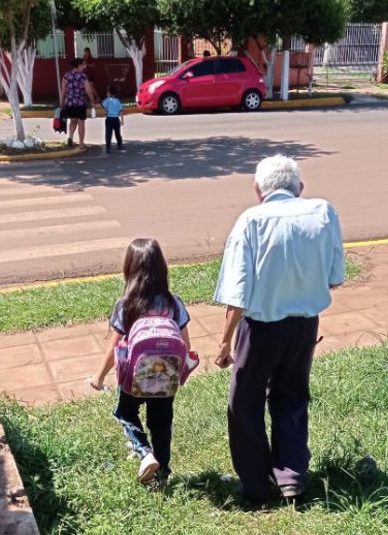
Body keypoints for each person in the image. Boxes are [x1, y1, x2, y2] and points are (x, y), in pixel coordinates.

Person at [214, 154, 345, 502]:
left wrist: (225, 342)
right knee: (291, 396)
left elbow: (237, 293)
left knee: (245, 401)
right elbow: (334, 278)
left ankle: (256, 484)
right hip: (304, 327)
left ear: (258, 190)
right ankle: (290, 474)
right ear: (299, 188)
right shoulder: (323, 212)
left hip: (260, 329)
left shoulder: (251, 221)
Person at [90, 238, 194, 484]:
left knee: (125, 413)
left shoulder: (126, 305)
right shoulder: (174, 303)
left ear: (129, 268)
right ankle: (163, 475)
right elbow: (186, 346)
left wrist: (99, 376)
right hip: (166, 375)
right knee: (161, 423)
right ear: (162, 267)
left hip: (134, 376)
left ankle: (144, 452)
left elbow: (114, 346)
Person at [61, 58, 94, 151]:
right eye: (83, 65)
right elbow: (89, 91)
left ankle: (71, 137)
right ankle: (81, 143)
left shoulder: (66, 75)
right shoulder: (82, 76)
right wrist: (92, 101)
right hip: (80, 103)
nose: (84, 67)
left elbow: (63, 90)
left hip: (69, 103)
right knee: (81, 122)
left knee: (72, 121)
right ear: (78, 66)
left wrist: (61, 101)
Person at [102, 85, 125, 154]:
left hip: (109, 119)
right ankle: (120, 145)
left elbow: (103, 106)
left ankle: (108, 148)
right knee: (117, 133)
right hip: (116, 119)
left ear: (109, 93)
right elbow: (121, 111)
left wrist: (94, 105)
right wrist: (122, 120)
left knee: (108, 134)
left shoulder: (107, 100)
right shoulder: (117, 101)